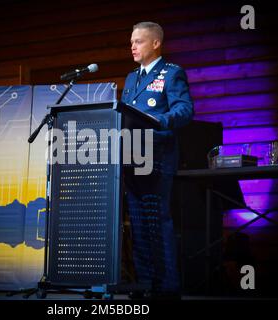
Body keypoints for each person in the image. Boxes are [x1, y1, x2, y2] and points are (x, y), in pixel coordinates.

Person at [121, 21, 194, 296]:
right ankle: (144, 285)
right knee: (138, 225)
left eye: (138, 41)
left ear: (155, 43)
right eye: (131, 41)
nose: (132, 46)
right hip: (132, 157)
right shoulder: (131, 78)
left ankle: (167, 288)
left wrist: (157, 120)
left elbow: (185, 110)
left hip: (158, 156)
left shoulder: (172, 73)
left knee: (157, 223)